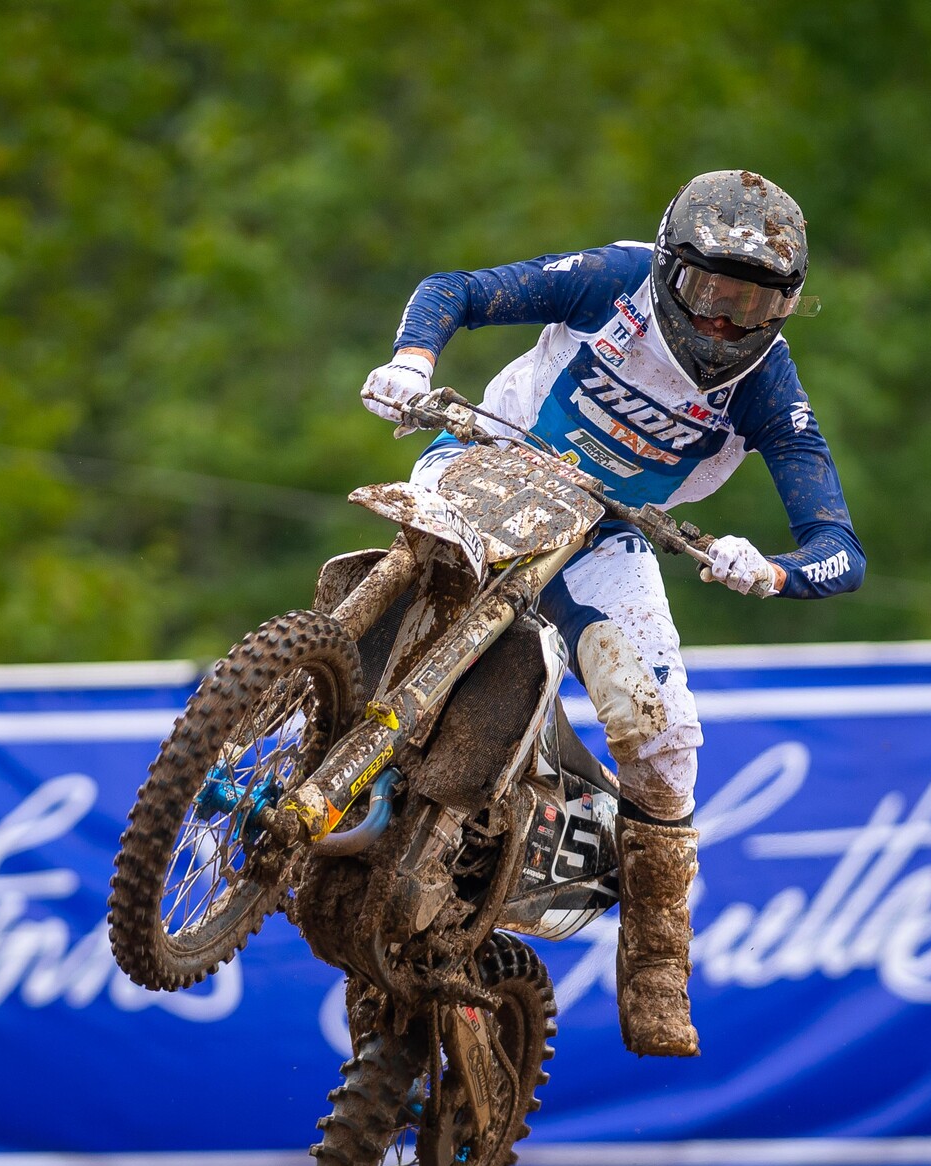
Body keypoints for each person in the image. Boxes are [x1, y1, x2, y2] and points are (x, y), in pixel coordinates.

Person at [357, 170, 864, 1058]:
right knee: (419, 553)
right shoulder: (610, 279)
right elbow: (459, 292)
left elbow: (839, 546)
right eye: (708, 291)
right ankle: (301, 708)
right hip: (490, 459)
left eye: (748, 304)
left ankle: (658, 972)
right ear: (670, 268)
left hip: (606, 533)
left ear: (784, 309)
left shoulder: (769, 390)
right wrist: (412, 363)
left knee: (663, 735)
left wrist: (774, 573)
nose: (719, 322)